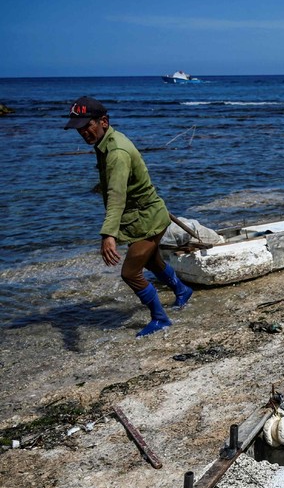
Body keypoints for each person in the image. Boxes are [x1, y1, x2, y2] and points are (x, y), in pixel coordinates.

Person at [64, 96, 193, 337]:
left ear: (103, 121)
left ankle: (160, 318)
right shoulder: (107, 142)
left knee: (130, 273)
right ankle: (182, 290)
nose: (83, 132)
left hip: (147, 219)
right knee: (153, 261)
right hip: (144, 216)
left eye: (86, 126)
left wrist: (108, 234)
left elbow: (116, 196)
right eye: (78, 128)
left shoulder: (116, 152)